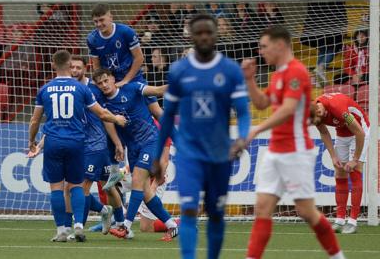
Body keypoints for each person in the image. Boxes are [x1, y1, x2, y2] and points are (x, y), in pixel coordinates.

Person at [153, 14, 250, 259]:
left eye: (209, 32)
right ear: (192, 36)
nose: (204, 37)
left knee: (216, 213)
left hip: (219, 154)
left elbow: (244, 112)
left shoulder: (230, 70)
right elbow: (167, 118)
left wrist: (241, 137)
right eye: (199, 33)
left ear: (216, 34)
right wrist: (157, 156)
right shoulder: (179, 70)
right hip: (189, 154)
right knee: (188, 211)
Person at [243, 25, 344, 259]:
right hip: (275, 150)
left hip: (296, 150)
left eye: (264, 46)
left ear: (280, 45)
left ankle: (338, 256)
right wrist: (249, 80)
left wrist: (256, 129)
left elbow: (288, 109)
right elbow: (261, 103)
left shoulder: (297, 72)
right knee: (262, 208)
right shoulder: (278, 73)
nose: (261, 51)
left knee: (306, 212)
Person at [27, 50, 126, 243]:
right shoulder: (81, 89)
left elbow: (34, 120)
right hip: (76, 142)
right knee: (75, 187)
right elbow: (102, 114)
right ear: (69, 65)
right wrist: (117, 118)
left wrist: (32, 142)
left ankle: (62, 230)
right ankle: (80, 226)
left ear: (53, 65)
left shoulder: (45, 89)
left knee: (57, 188)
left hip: (54, 141)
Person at [91, 68, 178, 241]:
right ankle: (172, 225)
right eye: (100, 83)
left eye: (106, 80)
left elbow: (158, 90)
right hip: (133, 147)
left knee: (137, 180)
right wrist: (117, 143)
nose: (104, 85)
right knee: (145, 191)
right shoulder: (103, 103)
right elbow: (107, 121)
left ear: (113, 79)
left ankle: (125, 227)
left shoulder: (132, 88)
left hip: (151, 141)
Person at [86, 4, 163, 121]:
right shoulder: (92, 39)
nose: (99, 24)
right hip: (112, 83)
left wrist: (126, 80)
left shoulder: (126, 32)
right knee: (110, 116)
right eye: (95, 21)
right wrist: (102, 83)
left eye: (101, 20)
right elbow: (97, 66)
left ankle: (178, 138)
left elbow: (139, 58)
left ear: (110, 17)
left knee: (156, 111)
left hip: (134, 78)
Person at [311, 93, 369, 234]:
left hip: (360, 130)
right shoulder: (312, 111)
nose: (318, 122)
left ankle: (353, 221)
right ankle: (339, 219)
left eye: (319, 119)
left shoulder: (338, 108)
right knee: (340, 172)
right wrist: (333, 156)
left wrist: (355, 159)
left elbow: (359, 132)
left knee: (355, 171)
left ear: (320, 111)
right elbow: (324, 133)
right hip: (342, 133)